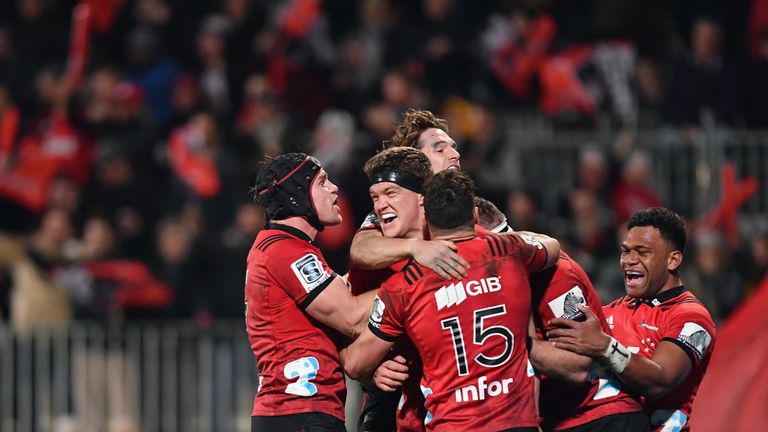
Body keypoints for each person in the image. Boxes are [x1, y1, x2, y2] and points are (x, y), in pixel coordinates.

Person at [342, 170, 560, 431]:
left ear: (427, 221)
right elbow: (552, 246)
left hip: (453, 423)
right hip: (514, 423)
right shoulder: (510, 251)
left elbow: (355, 364)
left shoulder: (402, 286)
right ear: (476, 216)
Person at [476, 197, 648, 431]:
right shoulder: (501, 269)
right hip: (559, 418)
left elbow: (577, 366)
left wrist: (506, 343)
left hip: (600, 417)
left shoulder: (554, 276)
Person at [547, 207, 716, 432]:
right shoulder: (607, 312)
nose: (629, 260)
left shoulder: (691, 317)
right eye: (625, 251)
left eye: (642, 252)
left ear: (673, 260)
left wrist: (605, 347)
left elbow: (660, 381)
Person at [245, 152, 377, 432]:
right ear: (297, 196)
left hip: (296, 413)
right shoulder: (285, 250)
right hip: (300, 412)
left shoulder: (282, 247)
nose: (334, 189)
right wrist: (411, 280)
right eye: (322, 182)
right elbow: (352, 317)